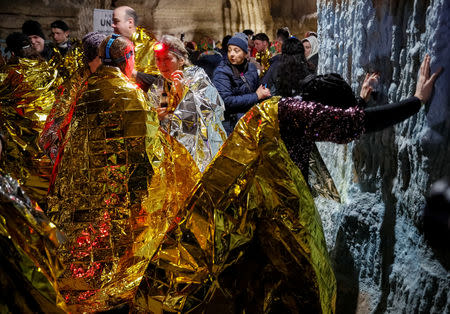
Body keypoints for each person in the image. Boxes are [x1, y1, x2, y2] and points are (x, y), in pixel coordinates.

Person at [134, 54, 442, 313]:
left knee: (261, 278)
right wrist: (416, 101)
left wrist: (360, 99)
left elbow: (340, 118)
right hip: (266, 214)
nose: (328, 119)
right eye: (327, 113)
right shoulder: (292, 112)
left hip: (259, 212)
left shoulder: (288, 108)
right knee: (306, 281)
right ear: (318, 109)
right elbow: (349, 124)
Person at [46, 34, 201, 312]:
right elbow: (148, 146)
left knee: (87, 237)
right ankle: (109, 288)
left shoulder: (89, 87)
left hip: (84, 181)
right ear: (126, 59)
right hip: (118, 183)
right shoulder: (128, 93)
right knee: (116, 240)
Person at [148, 35, 226, 171]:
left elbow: (212, 111)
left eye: (167, 59)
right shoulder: (160, 84)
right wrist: (158, 117)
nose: (162, 64)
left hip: (199, 149)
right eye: (158, 59)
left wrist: (183, 93)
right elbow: (156, 116)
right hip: (172, 152)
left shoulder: (197, 77)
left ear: (181, 60)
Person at [0, 31, 58, 208]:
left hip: (23, 140)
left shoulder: (10, 73)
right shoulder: (48, 69)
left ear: (13, 53)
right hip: (47, 135)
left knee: (26, 183)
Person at [39, 32, 106, 168]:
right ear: (90, 59)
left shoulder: (108, 78)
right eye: (102, 58)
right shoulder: (76, 84)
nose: (107, 62)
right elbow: (54, 127)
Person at [213, 32, 271, 134]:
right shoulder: (222, 71)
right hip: (231, 125)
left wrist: (265, 94)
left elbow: (258, 89)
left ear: (245, 53)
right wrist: (256, 96)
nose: (232, 54)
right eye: (229, 50)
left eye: (236, 51)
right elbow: (226, 101)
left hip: (250, 121)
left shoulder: (251, 68)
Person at [112, 5, 159, 76]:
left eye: (116, 21)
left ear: (130, 22)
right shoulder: (114, 41)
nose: (112, 25)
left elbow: (154, 79)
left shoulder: (147, 43)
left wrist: (131, 72)